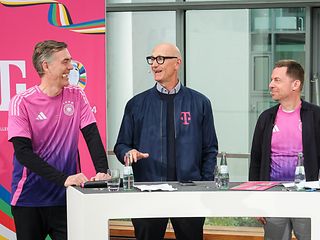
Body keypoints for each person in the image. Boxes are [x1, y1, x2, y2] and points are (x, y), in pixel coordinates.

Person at [114, 42, 218, 240]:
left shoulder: (200, 102)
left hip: (189, 192)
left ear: (177, 63)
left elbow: (210, 148)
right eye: (152, 59)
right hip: (147, 191)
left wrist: (203, 184)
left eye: (160, 59)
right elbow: (121, 145)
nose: (154, 64)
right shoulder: (136, 104)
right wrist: (128, 154)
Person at [8, 40, 109, 240]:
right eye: (65, 61)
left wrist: (102, 171)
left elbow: (92, 135)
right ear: (46, 66)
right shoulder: (21, 101)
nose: (71, 67)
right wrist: (64, 179)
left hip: (66, 199)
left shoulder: (77, 94)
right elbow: (23, 153)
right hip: (29, 200)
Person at [249, 59, 320, 240]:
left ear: (295, 84)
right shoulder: (266, 118)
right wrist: (257, 200)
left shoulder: (316, 116)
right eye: (272, 80)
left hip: (307, 196)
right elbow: (256, 161)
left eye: (277, 80)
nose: (271, 85)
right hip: (273, 195)